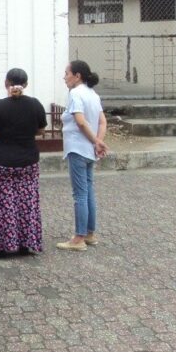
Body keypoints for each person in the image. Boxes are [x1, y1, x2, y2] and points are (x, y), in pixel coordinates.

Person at [0, 69, 48, 258]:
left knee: (1, 204)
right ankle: (26, 242)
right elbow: (41, 130)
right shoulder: (35, 104)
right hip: (28, 161)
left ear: (6, 83)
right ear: (25, 85)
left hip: (1, 162)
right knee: (26, 202)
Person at [58, 60, 109, 252]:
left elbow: (79, 121)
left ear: (77, 75)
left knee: (79, 193)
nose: (65, 77)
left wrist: (96, 141)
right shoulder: (93, 94)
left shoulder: (76, 93)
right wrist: (98, 141)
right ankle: (89, 233)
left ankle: (78, 238)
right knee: (88, 191)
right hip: (89, 149)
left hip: (78, 147)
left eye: (67, 73)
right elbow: (102, 122)